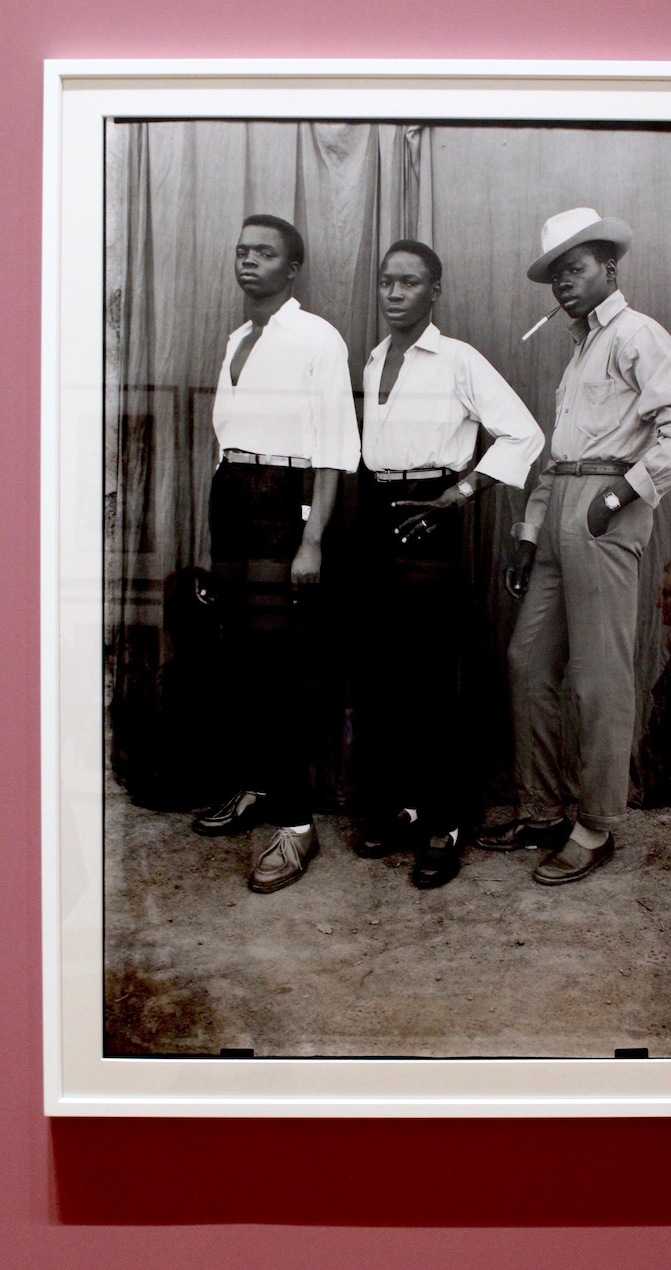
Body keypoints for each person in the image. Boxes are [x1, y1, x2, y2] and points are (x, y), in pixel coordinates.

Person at [478, 208, 671, 884]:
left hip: (608, 509)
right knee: (527, 661)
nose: (563, 284)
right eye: (556, 274)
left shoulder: (638, 335)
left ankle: (596, 824)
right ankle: (542, 809)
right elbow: (561, 458)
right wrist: (530, 535)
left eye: (574, 269)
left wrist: (619, 496)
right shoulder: (580, 351)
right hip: (561, 508)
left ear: (609, 267)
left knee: (599, 676)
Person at [355, 239, 544, 888]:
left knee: (434, 677)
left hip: (432, 514)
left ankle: (447, 821)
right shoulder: (375, 358)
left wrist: (459, 493)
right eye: (387, 281)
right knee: (386, 676)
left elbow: (524, 432)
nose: (394, 292)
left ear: (434, 291)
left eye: (410, 282)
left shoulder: (458, 358)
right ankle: (406, 806)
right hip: (377, 511)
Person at [192, 214, 360, 894]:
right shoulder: (238, 338)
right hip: (232, 497)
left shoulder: (317, 337)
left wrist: (310, 540)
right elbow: (225, 445)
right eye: (242, 251)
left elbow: (335, 451)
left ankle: (295, 824)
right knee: (239, 658)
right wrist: (214, 531)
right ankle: (258, 787)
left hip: (283, 504)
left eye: (264, 253)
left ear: (292, 269)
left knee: (277, 666)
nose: (248, 261)